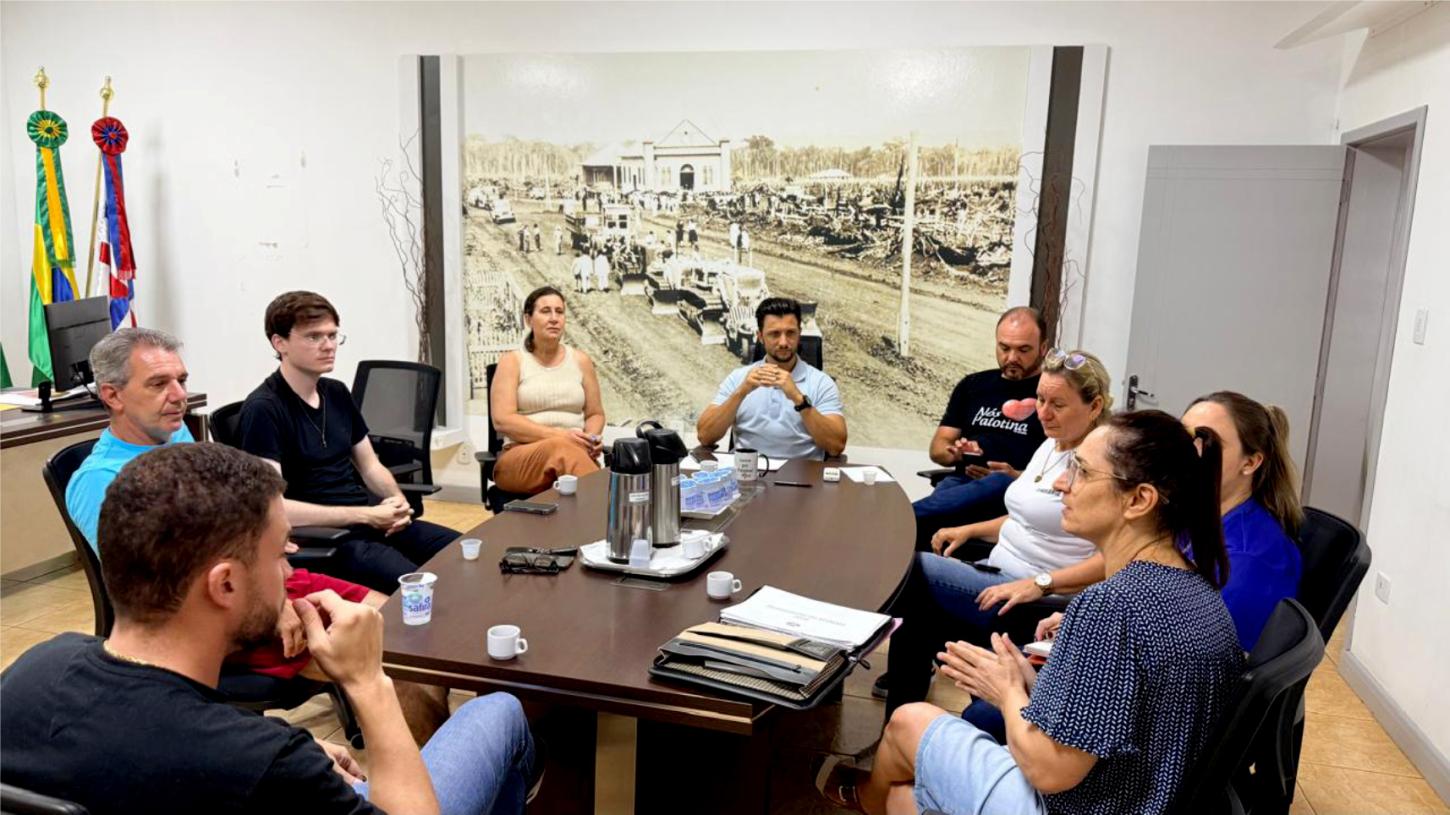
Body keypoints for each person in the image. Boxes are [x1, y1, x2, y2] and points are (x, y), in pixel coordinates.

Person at [3, 443, 536, 815]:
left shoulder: (33, 670)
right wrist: (368, 683)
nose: (289, 571)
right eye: (281, 553)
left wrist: (295, 746)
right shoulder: (262, 764)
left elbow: (147, 734)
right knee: (500, 712)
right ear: (225, 584)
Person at [819, 411, 1242, 815]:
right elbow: (1122, 716)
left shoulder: (1113, 605)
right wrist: (1030, 684)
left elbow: (1049, 770)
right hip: (1141, 796)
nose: (1061, 483)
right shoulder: (1198, 588)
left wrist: (1007, 693)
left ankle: (868, 798)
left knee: (909, 723)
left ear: (1139, 499)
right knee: (905, 796)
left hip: (1088, 802)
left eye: (1080, 471)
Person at [63, 327, 449, 742]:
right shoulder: (98, 481)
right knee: (397, 659)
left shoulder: (174, 436)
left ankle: (439, 762)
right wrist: (270, 602)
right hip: (215, 615)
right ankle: (423, 777)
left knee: (412, 627)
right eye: (159, 384)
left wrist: (274, 559)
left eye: (182, 380)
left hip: (264, 580)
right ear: (113, 395)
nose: (179, 395)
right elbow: (160, 591)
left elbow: (235, 524)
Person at [878, 349, 1112, 709]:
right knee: (919, 616)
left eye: (1058, 405)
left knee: (914, 568)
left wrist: (1040, 583)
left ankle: (843, 637)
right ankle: (899, 724)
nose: (1043, 413)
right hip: (996, 569)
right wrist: (969, 530)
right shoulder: (1050, 445)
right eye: (1040, 400)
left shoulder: (1101, 466)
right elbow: (1026, 518)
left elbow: (1115, 558)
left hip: (1032, 597)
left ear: (1094, 406)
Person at [238, 291, 458, 594]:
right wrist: (365, 515)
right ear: (280, 343)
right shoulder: (263, 408)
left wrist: (397, 502)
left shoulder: (336, 392)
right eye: (314, 337)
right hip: (325, 538)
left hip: (368, 521)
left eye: (332, 335)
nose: (328, 345)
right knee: (423, 588)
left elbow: (370, 466)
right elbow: (272, 506)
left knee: (465, 555)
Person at [912, 307, 1048, 552]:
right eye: (1004, 348)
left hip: (1013, 490)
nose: (1012, 357)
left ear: (1043, 348)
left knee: (997, 481)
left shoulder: (1050, 393)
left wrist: (1016, 474)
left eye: (1023, 350)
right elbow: (938, 450)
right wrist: (956, 453)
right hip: (962, 484)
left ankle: (901, 514)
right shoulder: (973, 385)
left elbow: (1061, 467)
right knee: (922, 530)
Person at [1183, 391, 1303, 649]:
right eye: (1184, 438)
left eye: (1207, 441)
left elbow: (1197, 654)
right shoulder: (1198, 517)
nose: (1186, 452)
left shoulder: (1247, 561)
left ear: (1250, 463)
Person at [696, 297, 846, 461]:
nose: (783, 342)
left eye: (790, 333)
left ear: (799, 334)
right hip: (747, 472)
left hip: (802, 474)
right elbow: (705, 436)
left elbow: (836, 446)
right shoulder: (739, 378)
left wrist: (798, 399)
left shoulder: (821, 383)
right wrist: (741, 392)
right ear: (760, 337)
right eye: (774, 334)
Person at [491, 286, 605, 495]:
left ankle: (600, 504)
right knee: (560, 448)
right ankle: (609, 505)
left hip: (573, 454)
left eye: (559, 312)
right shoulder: (512, 361)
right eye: (545, 311)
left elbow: (595, 414)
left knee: (566, 452)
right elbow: (502, 420)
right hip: (519, 458)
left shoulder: (581, 360)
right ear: (528, 319)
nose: (554, 318)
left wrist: (590, 439)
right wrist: (562, 437)